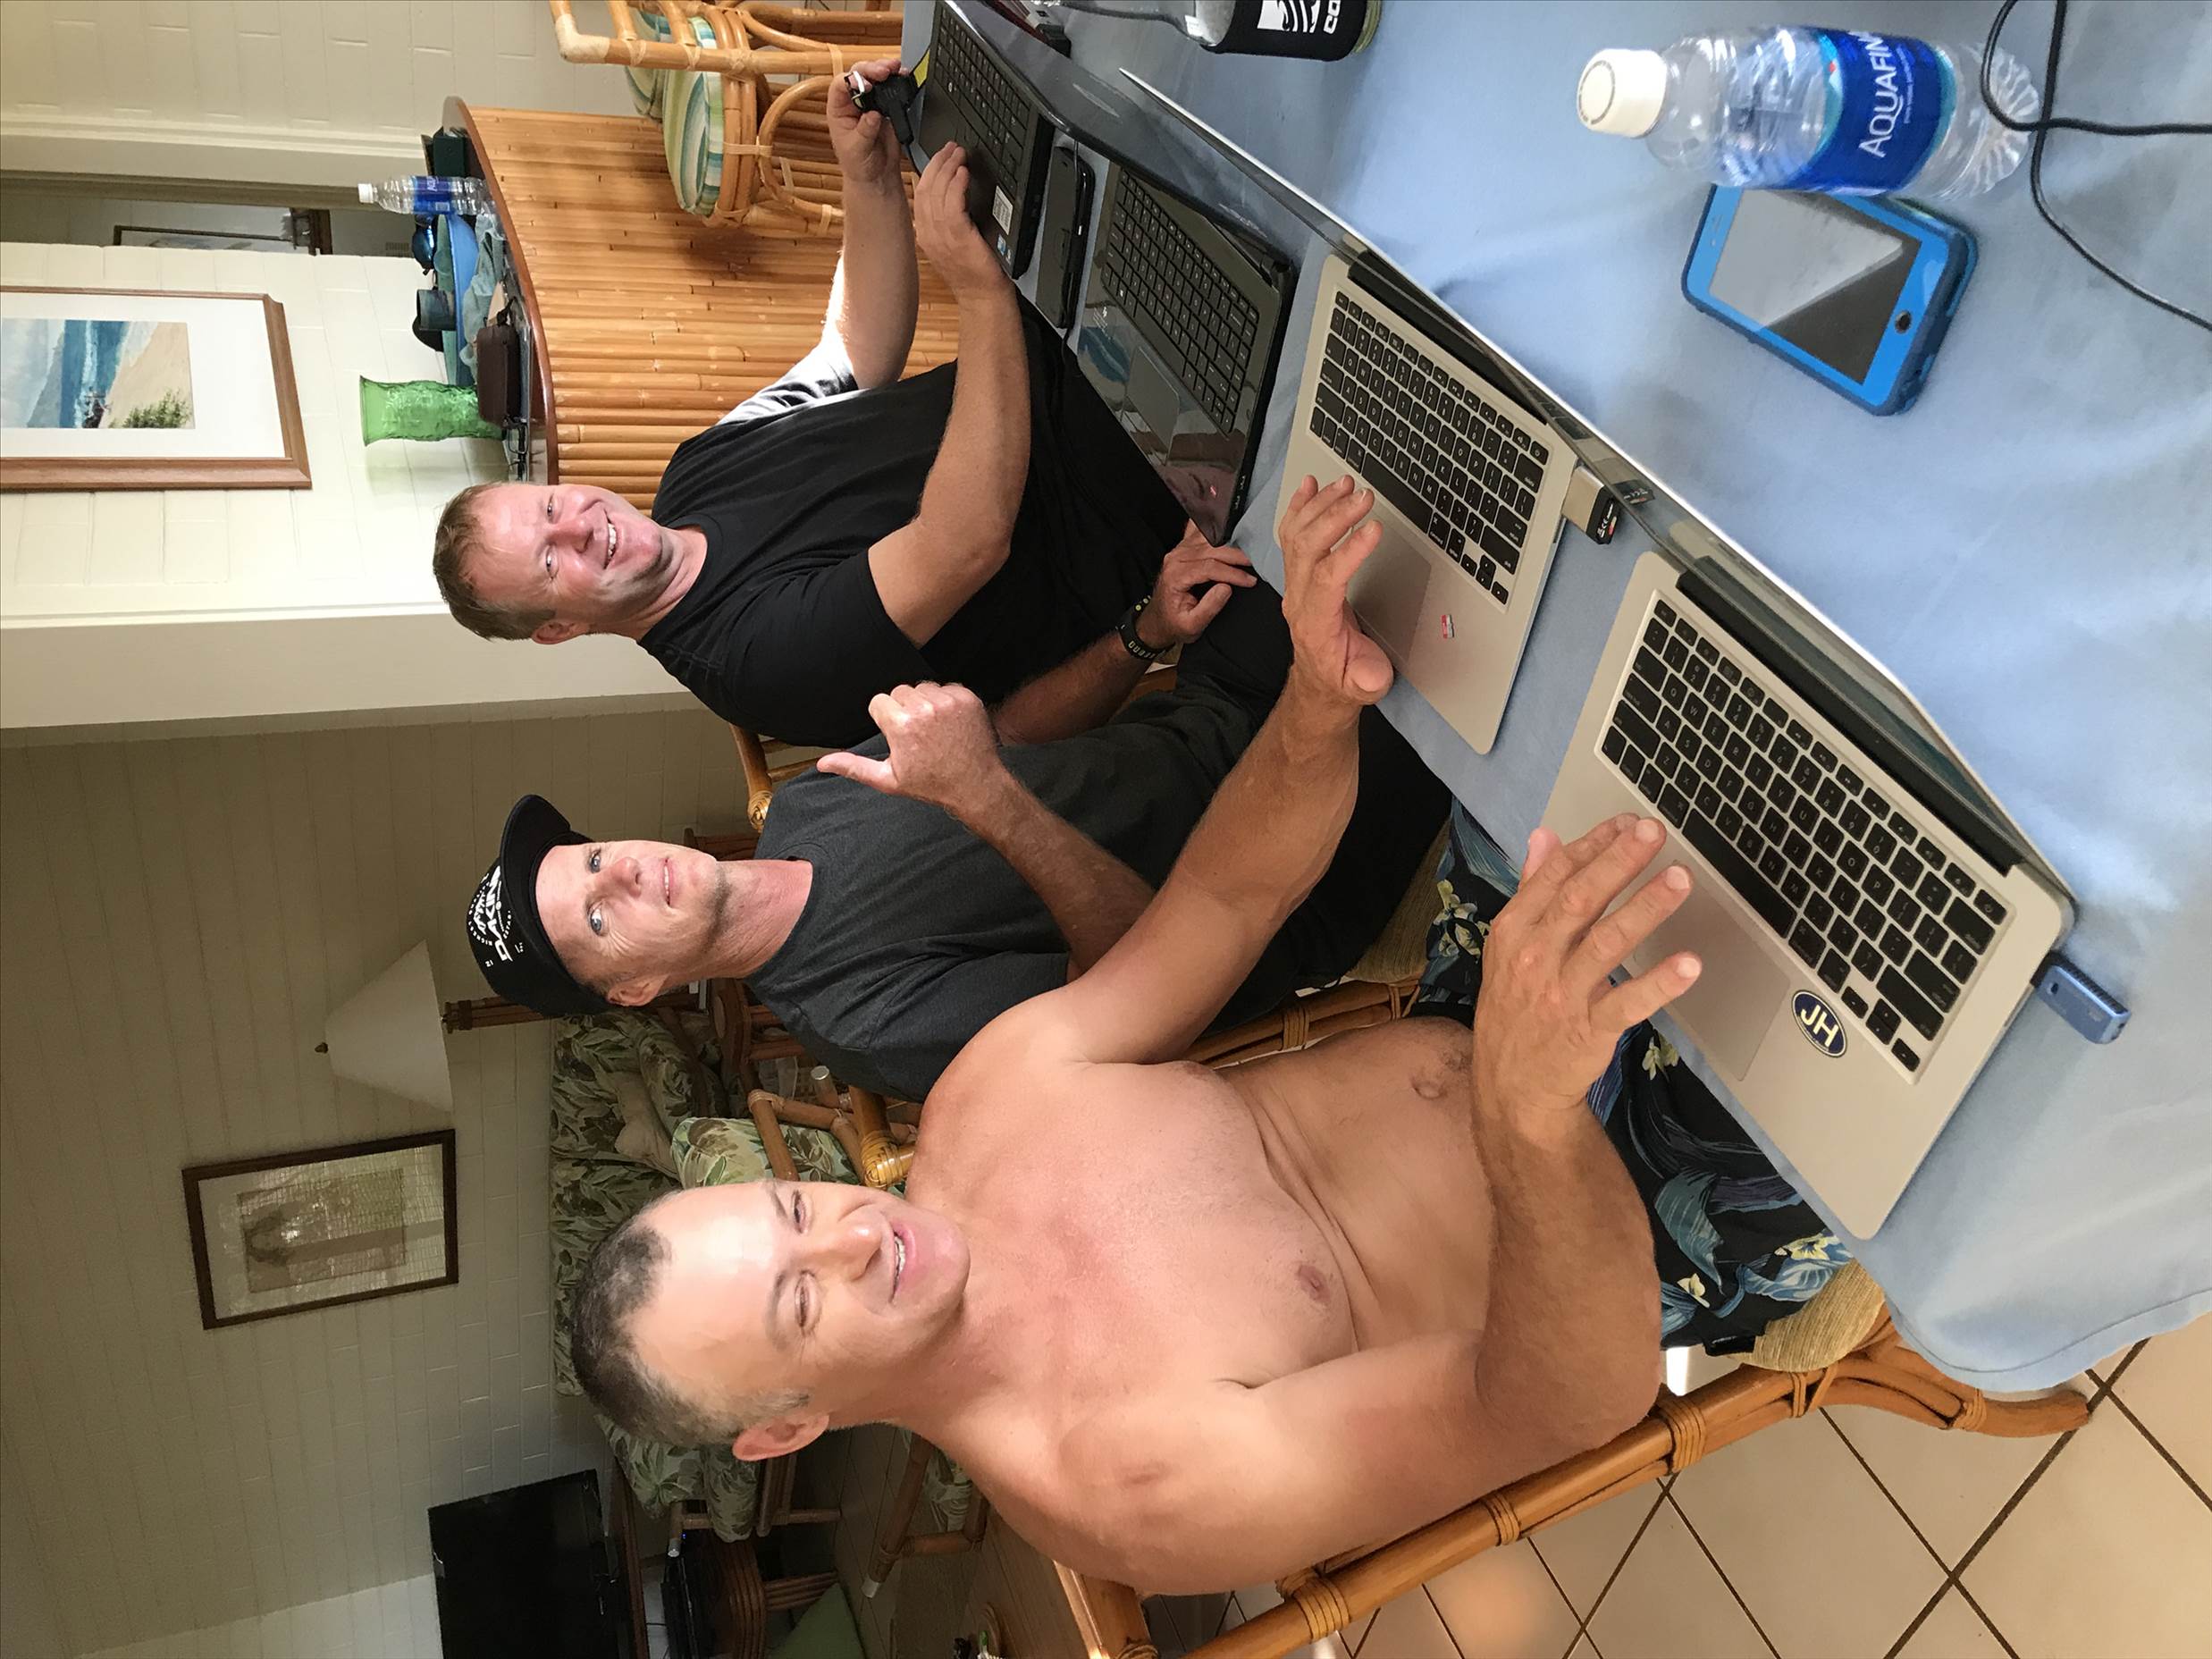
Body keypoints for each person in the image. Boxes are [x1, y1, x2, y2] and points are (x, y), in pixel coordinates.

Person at [561, 476, 1853, 1594]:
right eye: (800, 1303)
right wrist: (1528, 1117)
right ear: (788, 1428)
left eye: (796, 1211)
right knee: (1850, 938)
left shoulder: (982, 1112)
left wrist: (1314, 704)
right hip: (1633, 1209)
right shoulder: (1131, 1487)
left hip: (1483, 1006)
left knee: (1628, 674)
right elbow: (1555, 1405)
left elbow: (1222, 903)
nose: (855, 1237)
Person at [464, 556, 1450, 1102]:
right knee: (1448, 634)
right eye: (599, 920)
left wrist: (1142, 632)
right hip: (1300, 866)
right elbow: (1148, 992)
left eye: (595, 860)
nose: (625, 876)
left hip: (1217, 708)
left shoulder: (803, 808)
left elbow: (1010, 737)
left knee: (1326, 500)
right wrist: (983, 797)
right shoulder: (861, 1026)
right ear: (636, 989)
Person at [431, 60, 1202, 750]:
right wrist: (978, 291)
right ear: (560, 627)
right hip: (1147, 480)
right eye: (550, 561)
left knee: (1110, 98)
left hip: (1070, 342)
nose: (577, 527)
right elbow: (966, 542)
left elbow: (854, 352)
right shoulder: (754, 664)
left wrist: (866, 178)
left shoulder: (694, 473)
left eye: (551, 507)